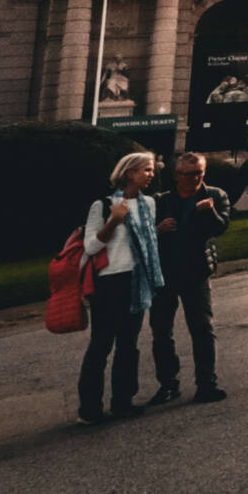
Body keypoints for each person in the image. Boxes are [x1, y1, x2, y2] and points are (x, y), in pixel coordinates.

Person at [79, 151, 164, 425]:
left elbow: (146, 241)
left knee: (129, 345)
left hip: (138, 280)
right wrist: (114, 221)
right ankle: (89, 408)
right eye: (146, 169)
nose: (151, 174)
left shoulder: (149, 203)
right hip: (109, 283)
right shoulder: (103, 205)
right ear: (129, 173)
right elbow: (91, 246)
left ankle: (122, 402)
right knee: (101, 345)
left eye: (152, 170)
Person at [148, 151, 231, 406]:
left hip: (196, 272)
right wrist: (157, 229)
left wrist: (210, 212)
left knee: (202, 329)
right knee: (161, 332)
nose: (194, 178)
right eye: (188, 174)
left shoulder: (215, 195)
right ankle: (168, 384)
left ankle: (207, 384)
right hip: (165, 273)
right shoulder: (161, 201)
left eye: (199, 173)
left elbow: (221, 227)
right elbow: (144, 235)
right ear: (176, 175)